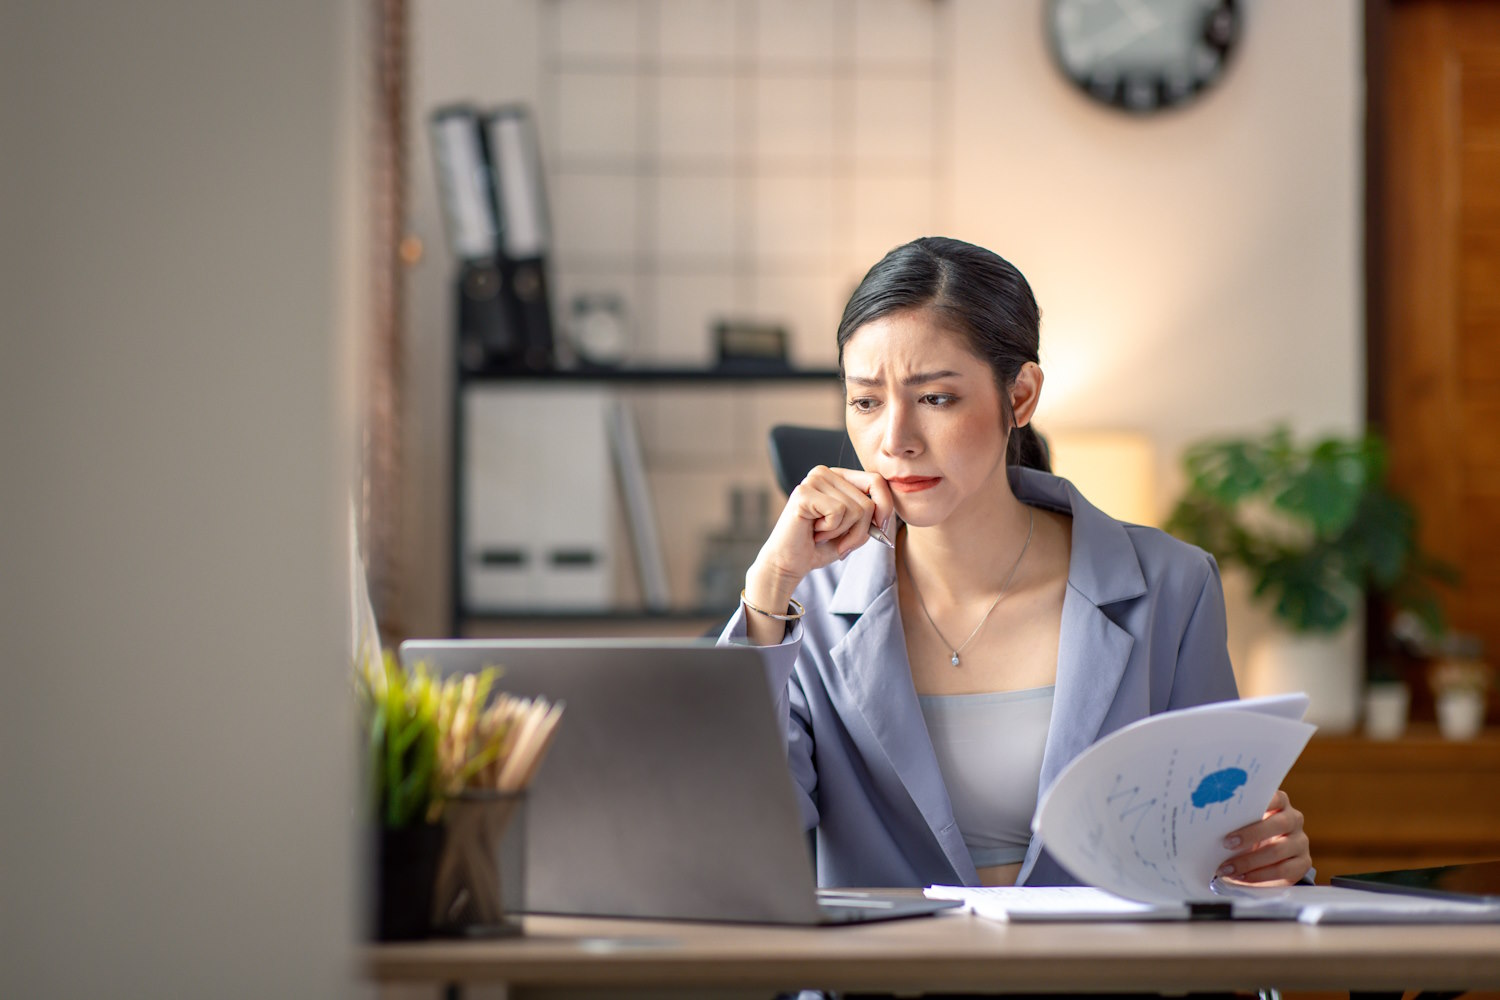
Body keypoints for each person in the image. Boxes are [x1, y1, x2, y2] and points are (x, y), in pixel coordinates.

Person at [720, 236, 1311, 891]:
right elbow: (727, 825)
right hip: (881, 983)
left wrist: (1261, 861)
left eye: (935, 398)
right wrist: (768, 583)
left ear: (1021, 396)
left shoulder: (1172, 585)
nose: (895, 440)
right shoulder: (809, 605)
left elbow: (1216, 856)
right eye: (866, 401)